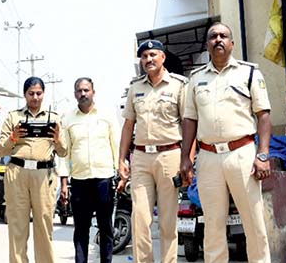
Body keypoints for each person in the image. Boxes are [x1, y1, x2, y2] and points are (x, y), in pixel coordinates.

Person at [180, 22, 272, 263]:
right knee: (212, 224)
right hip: (208, 158)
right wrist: (185, 160)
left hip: (242, 154)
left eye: (223, 36)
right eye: (213, 36)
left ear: (232, 43)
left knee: (253, 220)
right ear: (207, 44)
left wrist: (262, 155)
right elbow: (190, 119)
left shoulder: (249, 72)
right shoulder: (196, 78)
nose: (218, 39)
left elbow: (263, 115)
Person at [117, 40, 186, 263]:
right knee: (140, 219)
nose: (149, 60)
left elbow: (188, 123)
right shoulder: (135, 88)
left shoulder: (179, 85)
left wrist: (188, 159)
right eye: (144, 56)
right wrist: (121, 160)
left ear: (163, 57)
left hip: (170, 156)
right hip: (141, 158)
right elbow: (128, 125)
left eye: (153, 55)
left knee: (167, 222)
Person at [0, 76, 69, 263]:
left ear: (43, 94)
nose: (35, 97)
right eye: (31, 93)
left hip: (44, 174)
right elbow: (0, 150)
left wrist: (58, 139)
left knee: (44, 225)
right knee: (17, 225)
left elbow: (63, 151)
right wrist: (13, 137)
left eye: (39, 93)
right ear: (24, 94)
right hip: (17, 173)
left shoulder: (54, 118)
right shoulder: (14, 117)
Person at [58, 77, 120, 263]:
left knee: (106, 228)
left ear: (93, 92)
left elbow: (115, 145)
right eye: (79, 91)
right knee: (81, 229)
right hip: (79, 181)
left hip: (104, 179)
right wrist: (63, 183)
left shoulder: (107, 115)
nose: (83, 94)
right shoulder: (68, 118)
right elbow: (64, 153)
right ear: (75, 94)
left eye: (86, 90)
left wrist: (121, 174)